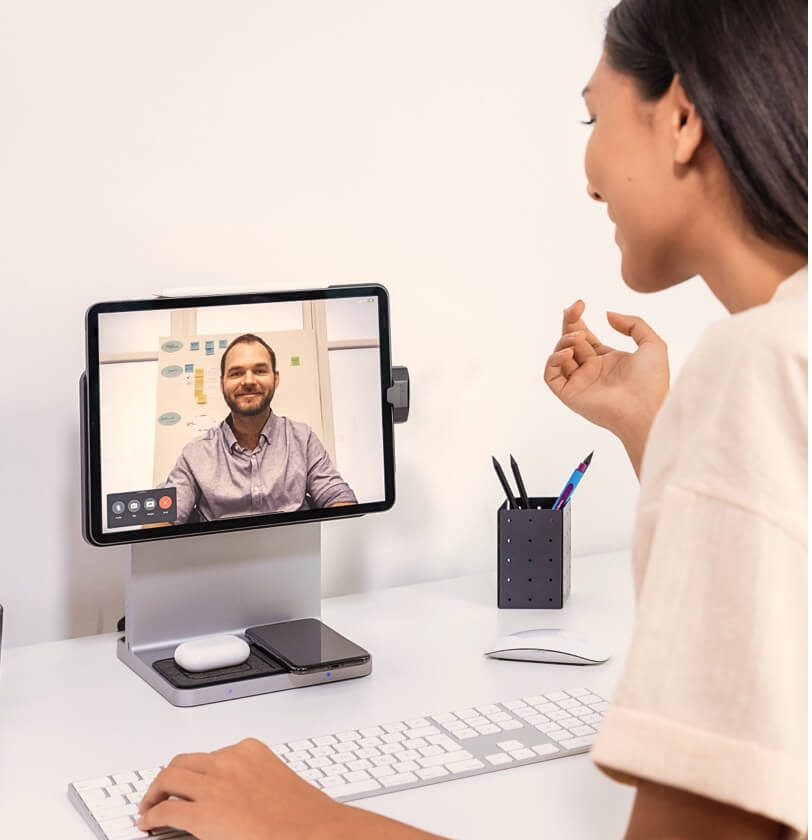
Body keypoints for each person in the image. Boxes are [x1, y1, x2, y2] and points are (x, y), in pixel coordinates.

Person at [137, 0, 807, 837]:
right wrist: (655, 431)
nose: (589, 175)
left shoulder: (756, 368)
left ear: (679, 119)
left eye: (593, 116)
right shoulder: (783, 357)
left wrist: (304, 822)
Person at [165, 333, 357, 522]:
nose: (248, 381)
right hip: (220, 553)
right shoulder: (195, 453)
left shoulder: (302, 438)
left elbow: (337, 497)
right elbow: (163, 516)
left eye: (259, 371)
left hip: (294, 549)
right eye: (236, 373)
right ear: (222, 383)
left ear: (276, 378)